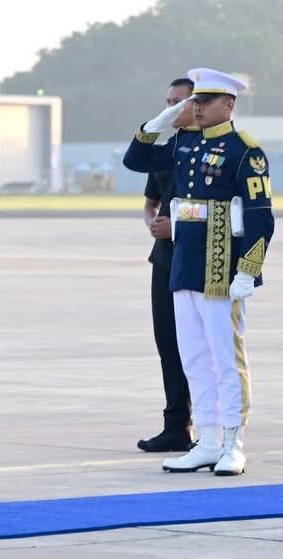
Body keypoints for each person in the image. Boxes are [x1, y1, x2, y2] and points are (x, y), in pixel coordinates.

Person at [123, 68, 274, 476]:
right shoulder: (184, 143)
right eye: (196, 101)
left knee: (226, 359)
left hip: (222, 268)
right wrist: (163, 120)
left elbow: (261, 217)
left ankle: (232, 442)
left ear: (229, 105)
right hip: (185, 265)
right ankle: (206, 439)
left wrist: (249, 269)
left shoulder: (245, 151)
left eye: (206, 101)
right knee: (193, 357)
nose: (198, 108)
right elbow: (134, 159)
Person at [136, 77, 198, 452]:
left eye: (179, 102)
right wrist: (152, 225)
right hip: (165, 259)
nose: (171, 109)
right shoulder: (164, 150)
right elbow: (150, 201)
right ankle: (176, 424)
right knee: (168, 343)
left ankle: (209, 427)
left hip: (199, 259)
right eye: (168, 102)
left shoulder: (215, 150)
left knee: (201, 346)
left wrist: (175, 225)